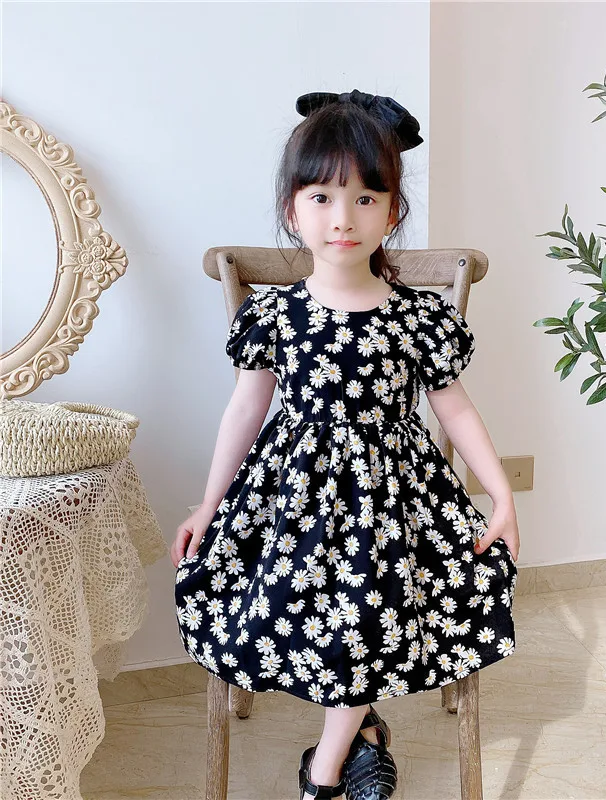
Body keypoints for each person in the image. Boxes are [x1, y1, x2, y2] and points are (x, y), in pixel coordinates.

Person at [172, 89, 520, 800]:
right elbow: (247, 407)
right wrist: (208, 503)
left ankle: (324, 768)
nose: (343, 218)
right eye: (323, 197)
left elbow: (453, 406)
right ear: (292, 209)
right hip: (293, 502)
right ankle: (361, 735)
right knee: (296, 604)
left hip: (393, 504)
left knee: (372, 603)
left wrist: (502, 493)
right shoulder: (274, 313)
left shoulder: (416, 317)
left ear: (392, 211)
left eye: (366, 198)